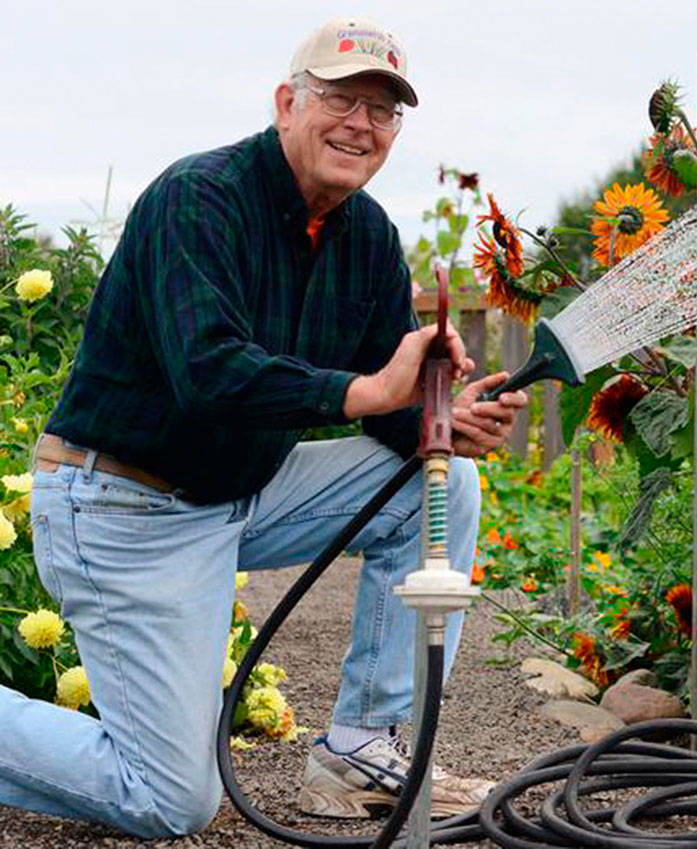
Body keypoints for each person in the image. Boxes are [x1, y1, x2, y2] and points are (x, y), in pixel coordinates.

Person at [0, 17, 527, 837]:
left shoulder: (367, 237)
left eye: (382, 110)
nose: (361, 124)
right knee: (170, 798)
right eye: (341, 99)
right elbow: (208, 374)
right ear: (287, 103)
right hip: (123, 506)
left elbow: (389, 411)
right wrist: (368, 389)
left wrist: (440, 422)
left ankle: (360, 749)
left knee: (439, 481)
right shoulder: (198, 199)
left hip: (237, 493)